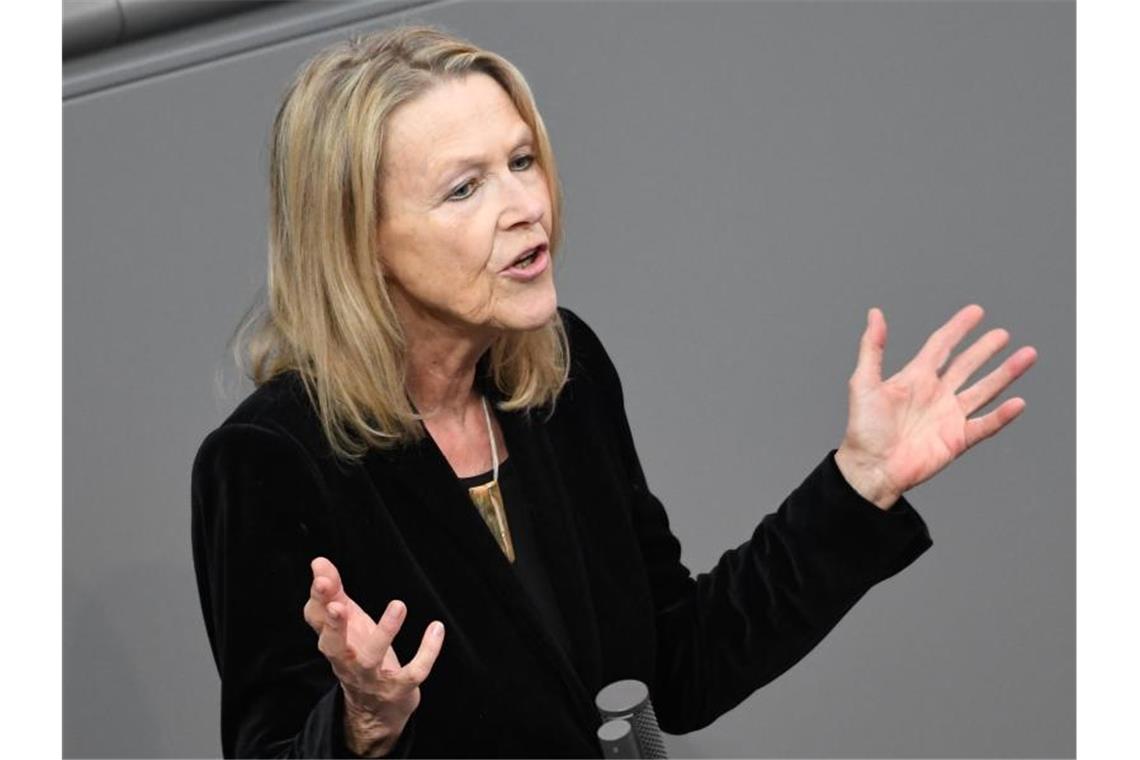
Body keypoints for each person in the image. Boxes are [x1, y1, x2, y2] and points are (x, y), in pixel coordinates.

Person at [190, 24, 1038, 759]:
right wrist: (362, 725)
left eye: (523, 161)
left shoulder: (564, 377)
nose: (526, 205)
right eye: (465, 187)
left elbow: (679, 666)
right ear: (358, 240)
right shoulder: (269, 461)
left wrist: (860, 483)